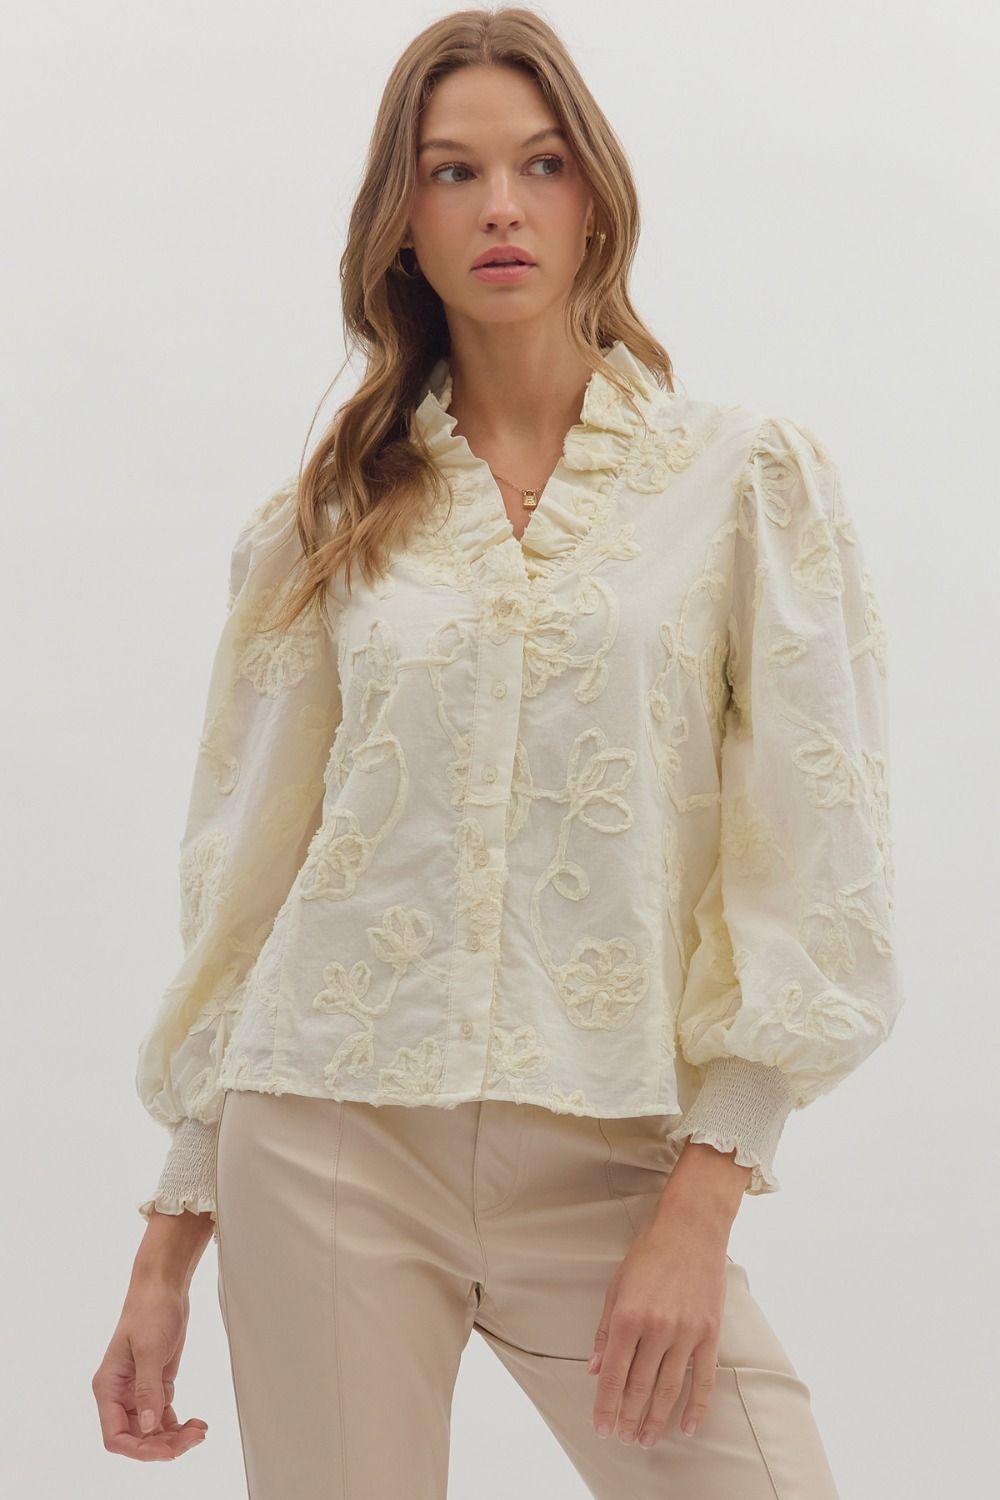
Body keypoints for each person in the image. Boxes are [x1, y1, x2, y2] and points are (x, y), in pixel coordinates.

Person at [92, 8, 905, 1496]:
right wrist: (167, 1245)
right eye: (453, 172)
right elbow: (246, 887)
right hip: (326, 1143)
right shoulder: (325, 519)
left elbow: (814, 858)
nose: (503, 208)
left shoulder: (744, 483)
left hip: (618, 1162)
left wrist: (703, 1202)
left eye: (541, 164)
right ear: (404, 222)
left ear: (597, 192)